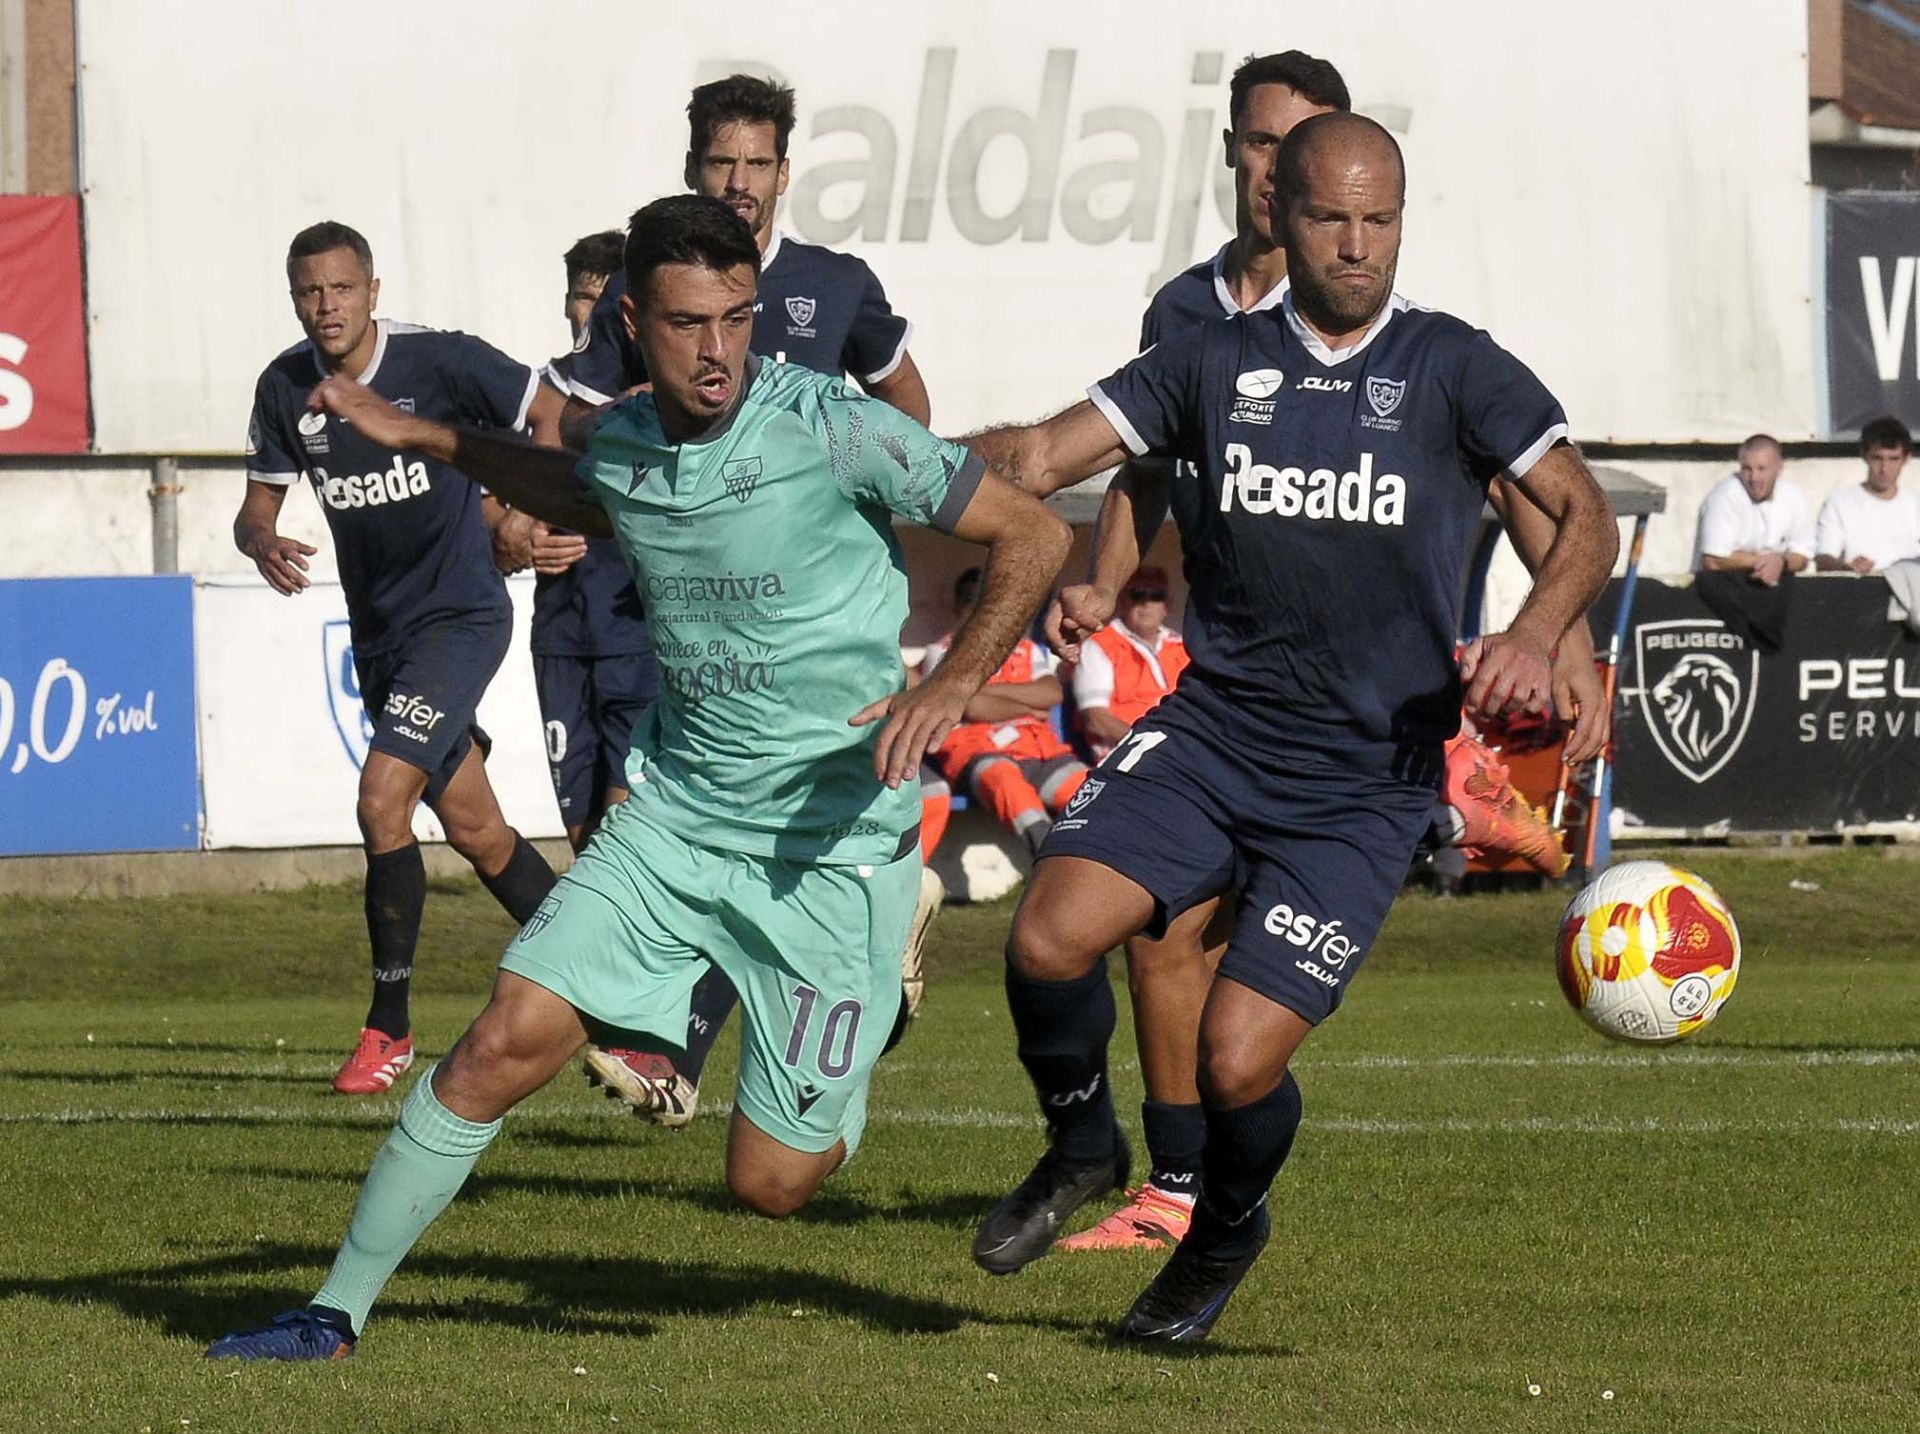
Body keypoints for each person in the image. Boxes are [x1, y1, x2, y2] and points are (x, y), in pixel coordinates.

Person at [206, 194, 1072, 1363]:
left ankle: (882, 986)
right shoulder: (621, 441)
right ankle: (332, 1313)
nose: (717, 351)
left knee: (771, 1184)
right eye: (686, 322)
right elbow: (575, 486)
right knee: (501, 1041)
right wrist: (427, 437)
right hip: (677, 820)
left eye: (737, 318)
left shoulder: (832, 426)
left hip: (830, 848)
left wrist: (955, 683)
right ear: (631, 321)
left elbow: (1034, 534)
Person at [960, 113, 1618, 1341]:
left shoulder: (1456, 364)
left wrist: (1539, 634)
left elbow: (1586, 517)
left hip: (1363, 780)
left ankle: (1223, 1230)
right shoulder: (1209, 357)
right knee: (1047, 938)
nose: (1358, 245)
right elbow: (1041, 455)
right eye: (1331, 218)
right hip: (1215, 734)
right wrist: (872, 458)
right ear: (1280, 213)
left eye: (1381, 220)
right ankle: (1084, 1146)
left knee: (1236, 1062)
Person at [566, 75, 942, 1123]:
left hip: (805, 618)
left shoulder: (834, 283)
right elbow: (569, 421)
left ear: (785, 173)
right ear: (694, 168)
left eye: (759, 162)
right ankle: (865, 941)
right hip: (685, 598)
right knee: (682, 813)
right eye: (722, 161)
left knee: (741, 821)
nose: (740, 181)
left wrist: (885, 495)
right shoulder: (646, 283)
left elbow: (904, 398)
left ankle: (675, 1047)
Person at [236, 221, 564, 1095]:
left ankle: (388, 1029)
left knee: (382, 800)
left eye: (341, 287)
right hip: (380, 640)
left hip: (460, 619)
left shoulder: (440, 361)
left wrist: (527, 507)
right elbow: (255, 508)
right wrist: (261, 539)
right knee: (480, 833)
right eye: (310, 290)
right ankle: (606, 975)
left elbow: (548, 412)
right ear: (294, 298)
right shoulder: (284, 386)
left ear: (373, 291)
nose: (326, 304)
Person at [493, 231, 660, 855]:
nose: (588, 311)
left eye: (603, 298)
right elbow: (489, 502)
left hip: (638, 639)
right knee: (581, 835)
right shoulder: (538, 397)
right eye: (580, 296)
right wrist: (516, 535)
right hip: (562, 637)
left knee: (623, 830)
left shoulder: (654, 397)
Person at [922, 568, 1091, 859]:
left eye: (987, 598)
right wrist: (1029, 706)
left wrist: (988, 693)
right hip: (980, 755)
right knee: (1010, 788)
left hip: (1040, 752)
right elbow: (971, 706)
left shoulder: (1025, 648)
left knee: (1093, 795)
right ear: (958, 606)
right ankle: (1050, 863)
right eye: (970, 598)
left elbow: (1051, 693)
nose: (979, 606)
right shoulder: (941, 653)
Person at [1071, 563, 1188, 763]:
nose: (1146, 603)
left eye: (1156, 595)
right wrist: (1157, 748)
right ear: (1123, 601)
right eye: (1138, 594)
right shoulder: (1099, 645)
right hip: (1126, 756)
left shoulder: (1182, 646)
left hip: (1182, 754)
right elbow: (1096, 720)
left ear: (1166, 605)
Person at [1692, 434, 1814, 585]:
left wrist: (1781, 562)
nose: (1754, 478)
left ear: (1779, 468)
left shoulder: (1794, 497)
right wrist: (1766, 562)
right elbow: (1713, 560)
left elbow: (1803, 556)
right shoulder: (1724, 497)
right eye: (1747, 469)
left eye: (1761, 469)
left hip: (1777, 588)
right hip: (1723, 588)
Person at [1815, 416, 1920, 574]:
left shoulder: (1915, 504)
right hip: (1860, 587)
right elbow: (1824, 559)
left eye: (1893, 459)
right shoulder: (1839, 503)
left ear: (1906, 459)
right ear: (1864, 456)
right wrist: (1847, 568)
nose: (1884, 468)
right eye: (1877, 458)